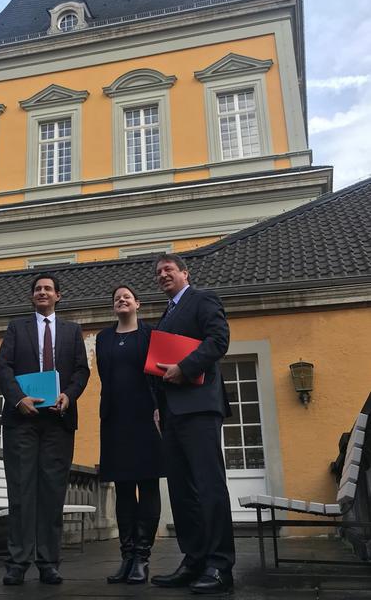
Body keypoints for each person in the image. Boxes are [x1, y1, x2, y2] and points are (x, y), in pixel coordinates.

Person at [0, 273, 90, 586]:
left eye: (48, 289)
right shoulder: (16, 328)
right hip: (22, 420)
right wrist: (18, 398)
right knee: (21, 492)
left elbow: (81, 370)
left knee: (52, 494)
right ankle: (17, 563)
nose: (42, 292)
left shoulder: (72, 330)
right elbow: (3, 367)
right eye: (37, 289)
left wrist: (69, 395)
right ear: (32, 296)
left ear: (58, 296)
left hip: (58, 422)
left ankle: (49, 562)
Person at [150, 254, 235, 596]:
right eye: (158, 272)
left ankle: (219, 566)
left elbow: (219, 341)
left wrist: (185, 368)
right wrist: (157, 407)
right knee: (182, 491)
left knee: (208, 486)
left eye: (169, 269)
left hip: (200, 406)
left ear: (185, 272)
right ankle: (194, 559)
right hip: (171, 412)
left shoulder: (204, 299)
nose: (163, 275)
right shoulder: (164, 315)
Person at [96, 284, 164, 585]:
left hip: (146, 418)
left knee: (147, 486)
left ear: (137, 303)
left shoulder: (151, 335)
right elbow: (104, 375)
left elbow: (160, 376)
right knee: (123, 489)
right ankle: (126, 557)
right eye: (116, 298)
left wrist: (160, 408)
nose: (121, 300)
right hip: (115, 419)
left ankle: (142, 558)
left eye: (126, 297)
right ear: (114, 307)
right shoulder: (104, 337)